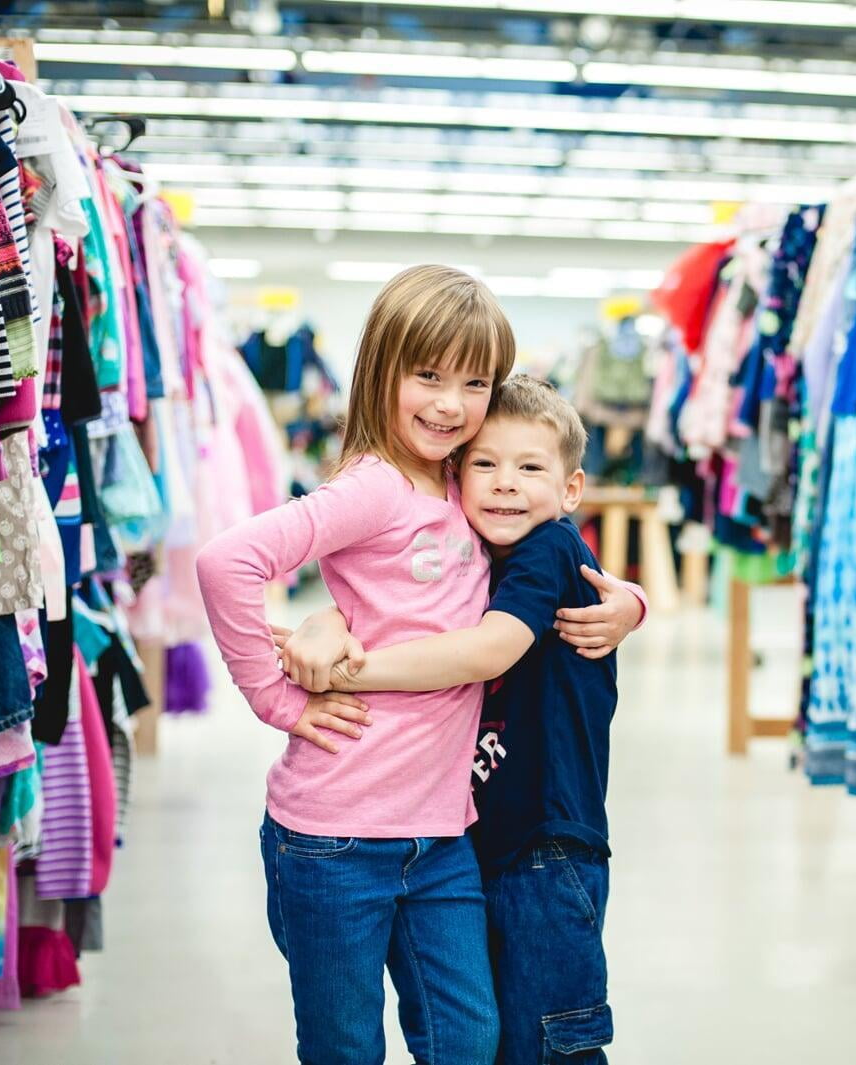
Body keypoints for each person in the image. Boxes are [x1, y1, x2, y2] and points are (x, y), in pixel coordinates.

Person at [195, 267, 642, 1065]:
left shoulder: (465, 481)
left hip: (442, 835)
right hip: (336, 833)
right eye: (427, 375)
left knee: (469, 1037)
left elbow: (526, 566)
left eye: (474, 382)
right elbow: (229, 560)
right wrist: (276, 692)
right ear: (381, 371)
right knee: (344, 1045)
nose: (449, 403)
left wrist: (631, 600)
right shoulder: (375, 487)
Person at [285, 376, 623, 1064]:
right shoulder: (475, 559)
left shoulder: (548, 549)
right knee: (496, 1040)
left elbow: (489, 649)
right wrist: (328, 619)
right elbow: (389, 605)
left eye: (530, 467)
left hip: (547, 848)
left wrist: (351, 671)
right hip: (482, 843)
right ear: (454, 475)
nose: (504, 484)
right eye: (485, 465)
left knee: (549, 1044)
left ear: (570, 489)